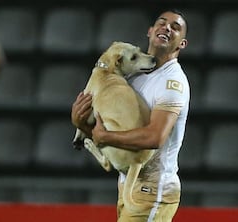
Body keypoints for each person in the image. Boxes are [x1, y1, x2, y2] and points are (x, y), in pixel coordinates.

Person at [71, 9, 190, 222]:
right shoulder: (134, 76)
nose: (167, 27)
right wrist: (82, 124)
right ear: (150, 31)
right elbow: (110, 133)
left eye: (175, 27)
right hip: (129, 185)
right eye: (161, 23)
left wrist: (104, 137)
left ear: (182, 44)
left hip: (153, 190)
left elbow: (154, 138)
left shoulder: (173, 82)